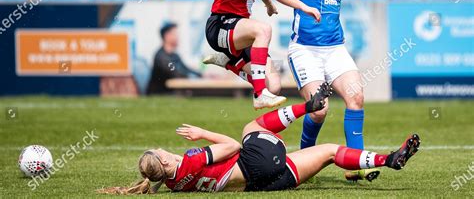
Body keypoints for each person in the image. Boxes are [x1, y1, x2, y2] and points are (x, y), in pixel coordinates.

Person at [98, 83, 420, 194]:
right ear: (165, 161)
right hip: (255, 162)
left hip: (265, 183)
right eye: (159, 151)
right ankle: (308, 106)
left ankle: (389, 159)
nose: (163, 149)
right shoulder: (188, 162)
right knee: (250, 128)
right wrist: (201, 133)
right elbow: (233, 148)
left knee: (329, 152)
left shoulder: (169, 183)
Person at [270, 0, 376, 180]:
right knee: (319, 110)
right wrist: (303, 7)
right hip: (305, 49)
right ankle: (306, 159)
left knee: (356, 97)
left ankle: (357, 165)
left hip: (335, 48)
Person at [146, 23, 201, 94]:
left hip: (172, 92)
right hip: (161, 94)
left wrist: (201, 75)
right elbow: (174, 72)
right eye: (175, 34)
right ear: (167, 36)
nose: (178, 37)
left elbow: (186, 69)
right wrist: (194, 77)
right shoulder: (162, 57)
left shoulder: (175, 55)